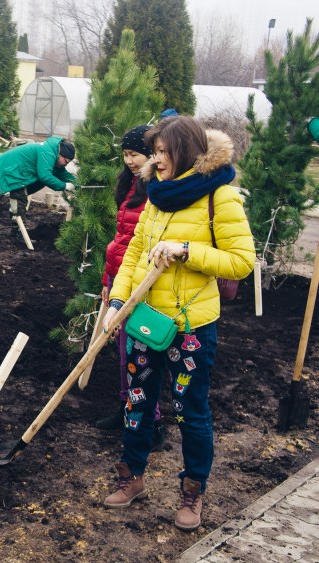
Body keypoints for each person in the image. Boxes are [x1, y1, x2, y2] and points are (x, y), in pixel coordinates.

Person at [100, 117, 255, 531]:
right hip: (146, 321)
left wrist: (187, 250)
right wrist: (118, 302)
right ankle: (132, 476)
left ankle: (192, 490)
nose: (156, 160)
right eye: (154, 152)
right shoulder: (157, 195)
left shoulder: (220, 196)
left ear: (185, 151)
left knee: (190, 411)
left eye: (163, 152)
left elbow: (242, 261)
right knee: (137, 401)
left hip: (190, 327)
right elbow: (135, 254)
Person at [95, 125, 165, 452]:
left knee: (139, 355)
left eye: (134, 154)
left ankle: (152, 421)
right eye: (125, 154)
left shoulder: (157, 190)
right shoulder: (130, 185)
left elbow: (142, 245)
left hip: (142, 284)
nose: (129, 161)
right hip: (121, 277)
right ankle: (127, 410)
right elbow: (121, 238)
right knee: (124, 353)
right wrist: (108, 280)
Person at [0, 136, 77, 224]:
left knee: (20, 197)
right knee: (19, 198)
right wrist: (65, 186)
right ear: (60, 155)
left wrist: (78, 184)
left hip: (20, 171)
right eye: (66, 161)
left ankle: (15, 217)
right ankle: (17, 226)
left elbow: (61, 173)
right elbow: (45, 176)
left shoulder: (54, 153)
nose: (66, 165)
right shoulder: (48, 152)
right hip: (13, 168)